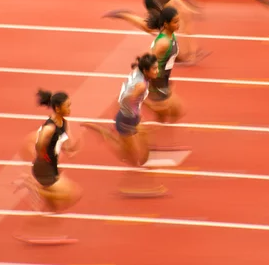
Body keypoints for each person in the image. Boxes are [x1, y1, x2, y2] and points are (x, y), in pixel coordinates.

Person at [82, 53, 167, 196]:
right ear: (145, 71)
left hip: (129, 119)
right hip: (127, 122)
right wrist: (138, 112)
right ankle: (135, 185)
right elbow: (127, 100)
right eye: (154, 69)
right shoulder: (140, 85)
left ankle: (107, 134)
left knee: (143, 153)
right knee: (133, 160)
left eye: (156, 68)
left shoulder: (138, 74)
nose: (157, 71)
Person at [13, 89, 82, 242]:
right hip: (43, 169)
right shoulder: (50, 127)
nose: (70, 109)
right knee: (72, 194)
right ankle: (32, 186)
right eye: (67, 106)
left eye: (70, 105)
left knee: (54, 207)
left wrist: (74, 147)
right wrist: (47, 159)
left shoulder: (63, 123)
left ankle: (33, 229)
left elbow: (66, 145)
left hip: (50, 167)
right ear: (57, 108)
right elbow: (39, 144)